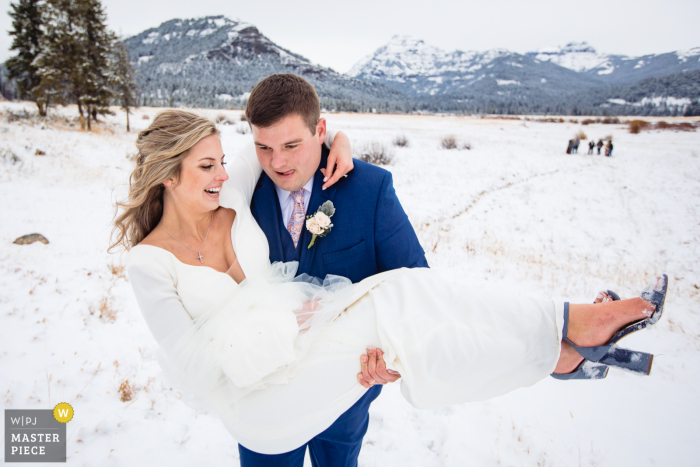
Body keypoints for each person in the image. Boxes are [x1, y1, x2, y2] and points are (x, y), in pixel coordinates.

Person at [117, 79, 668, 466]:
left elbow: (279, 139)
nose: (270, 161)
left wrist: (338, 142)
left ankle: (563, 341)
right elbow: (195, 368)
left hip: (342, 382)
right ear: (168, 176)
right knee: (394, 297)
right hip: (260, 400)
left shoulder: (249, 190)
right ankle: (568, 337)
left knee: (407, 294)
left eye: (220, 162)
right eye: (209, 165)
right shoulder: (199, 222)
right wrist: (288, 329)